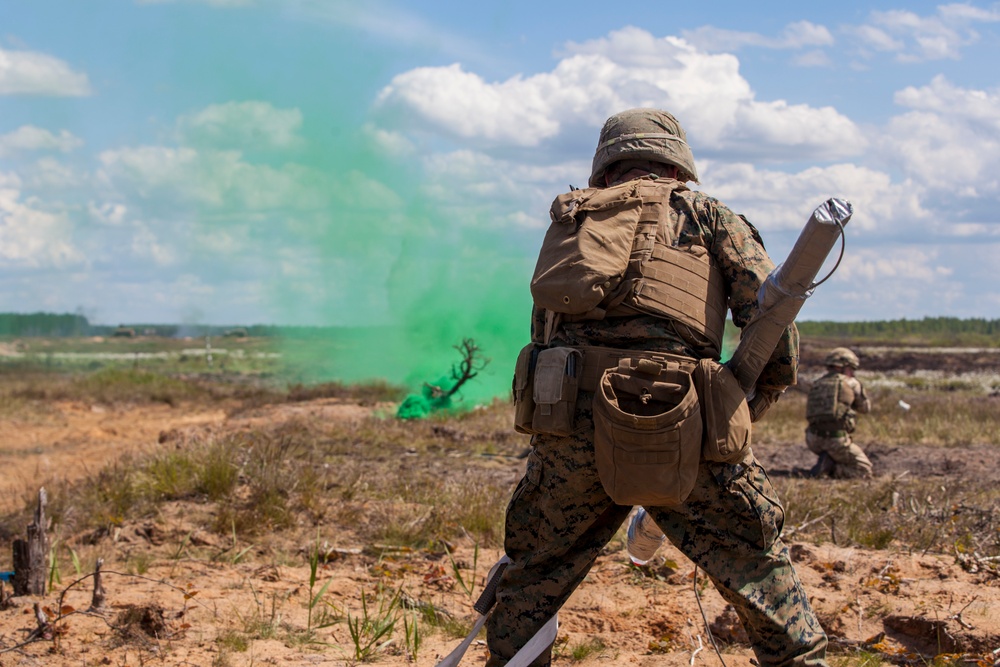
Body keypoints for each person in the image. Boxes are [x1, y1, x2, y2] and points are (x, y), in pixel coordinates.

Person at [488, 108, 828, 667]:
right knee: (758, 569)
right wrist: (737, 413)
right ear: (678, 163)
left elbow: (545, 332)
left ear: (605, 165)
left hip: (570, 429)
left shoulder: (575, 222)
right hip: (684, 420)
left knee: (533, 580)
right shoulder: (709, 216)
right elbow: (774, 331)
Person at [805, 347, 872, 479]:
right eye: (851, 369)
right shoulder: (850, 382)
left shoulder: (817, 383)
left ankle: (828, 460)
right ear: (843, 366)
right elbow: (865, 408)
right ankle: (831, 468)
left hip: (813, 440)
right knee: (864, 471)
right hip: (836, 440)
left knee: (836, 452)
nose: (852, 373)